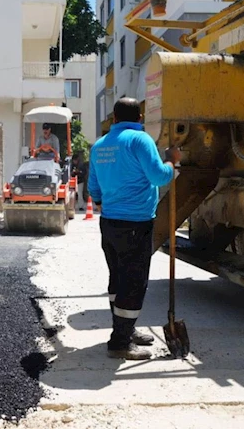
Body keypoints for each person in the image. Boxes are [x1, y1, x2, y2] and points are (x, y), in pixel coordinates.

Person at [87, 97, 181, 360]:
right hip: (135, 224)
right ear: (139, 118)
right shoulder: (140, 140)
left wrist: (109, 200)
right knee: (134, 283)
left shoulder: (100, 146)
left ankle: (124, 330)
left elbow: (93, 189)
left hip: (109, 223)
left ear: (114, 119)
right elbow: (159, 177)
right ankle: (120, 342)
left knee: (118, 278)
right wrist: (172, 162)